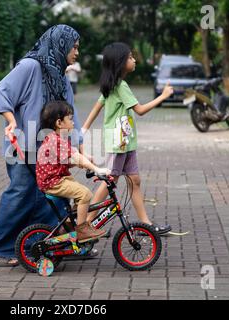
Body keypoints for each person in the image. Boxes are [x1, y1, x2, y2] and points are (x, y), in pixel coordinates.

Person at [0, 25, 96, 267]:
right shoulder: (31, 66)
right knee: (21, 195)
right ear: (60, 45)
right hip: (24, 148)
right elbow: (2, 91)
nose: (77, 52)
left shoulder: (61, 76)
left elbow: (70, 115)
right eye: (74, 47)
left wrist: (81, 147)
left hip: (50, 151)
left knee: (51, 198)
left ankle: (50, 245)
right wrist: (11, 121)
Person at [82, 42, 174, 235]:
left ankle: (145, 224)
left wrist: (84, 127)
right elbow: (140, 110)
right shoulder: (120, 86)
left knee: (134, 180)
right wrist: (163, 96)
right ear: (121, 62)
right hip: (118, 143)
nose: (134, 60)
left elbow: (97, 105)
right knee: (110, 180)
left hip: (126, 142)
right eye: (130, 57)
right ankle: (85, 225)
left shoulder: (113, 84)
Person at [36, 101, 110, 242]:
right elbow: (77, 157)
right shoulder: (57, 141)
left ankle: (68, 226)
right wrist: (97, 169)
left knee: (80, 195)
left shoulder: (57, 139)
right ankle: (81, 230)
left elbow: (67, 160)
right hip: (53, 182)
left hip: (57, 178)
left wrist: (81, 164)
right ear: (59, 122)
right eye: (70, 119)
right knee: (85, 194)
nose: (73, 122)